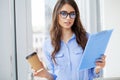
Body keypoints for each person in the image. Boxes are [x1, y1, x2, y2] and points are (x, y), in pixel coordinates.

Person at [34, 0, 106, 80]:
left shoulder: (87, 38)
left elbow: (92, 74)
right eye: (64, 13)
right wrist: (45, 74)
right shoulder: (48, 44)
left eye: (72, 14)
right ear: (57, 15)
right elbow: (53, 77)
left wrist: (98, 68)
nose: (68, 18)